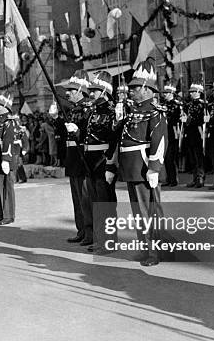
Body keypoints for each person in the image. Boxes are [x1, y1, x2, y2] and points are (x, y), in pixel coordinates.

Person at [111, 62, 167, 266]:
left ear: (147, 89)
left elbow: (159, 140)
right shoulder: (131, 111)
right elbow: (121, 137)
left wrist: (154, 167)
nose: (131, 90)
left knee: (149, 211)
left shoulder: (155, 111)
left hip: (144, 167)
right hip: (131, 167)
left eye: (135, 87)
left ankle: (155, 252)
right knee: (138, 212)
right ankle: (145, 247)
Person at [78, 70, 118, 253]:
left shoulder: (111, 111)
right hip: (89, 162)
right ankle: (99, 238)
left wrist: (111, 164)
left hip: (103, 162)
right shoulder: (92, 112)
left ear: (104, 91)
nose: (91, 93)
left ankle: (108, 241)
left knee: (105, 204)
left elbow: (113, 140)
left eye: (94, 90)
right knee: (95, 203)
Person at [62, 69, 93, 243]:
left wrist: (78, 131)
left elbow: (89, 133)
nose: (68, 93)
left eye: (72, 90)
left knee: (85, 198)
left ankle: (89, 232)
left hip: (82, 158)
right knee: (76, 198)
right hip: (72, 157)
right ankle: (81, 230)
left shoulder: (88, 108)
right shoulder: (73, 109)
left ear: (81, 91)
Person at [0, 93, 17, 225]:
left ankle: (9, 215)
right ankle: (2, 214)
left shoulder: (8, 122)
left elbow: (7, 141)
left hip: (4, 158)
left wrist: (5, 159)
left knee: (7, 187)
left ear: (6, 107)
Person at [183, 81, 207, 188]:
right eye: (191, 92)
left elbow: (201, 120)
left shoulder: (203, 104)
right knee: (192, 158)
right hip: (190, 133)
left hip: (198, 132)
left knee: (198, 157)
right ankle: (195, 178)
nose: (191, 93)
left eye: (193, 92)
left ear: (199, 92)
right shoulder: (188, 105)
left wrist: (188, 120)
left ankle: (200, 178)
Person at [162, 82, 183, 187]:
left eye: (166, 93)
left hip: (173, 132)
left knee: (171, 157)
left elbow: (179, 119)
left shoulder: (177, 105)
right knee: (166, 158)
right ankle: (169, 178)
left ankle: (174, 179)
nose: (164, 95)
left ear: (171, 93)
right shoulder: (163, 105)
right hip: (164, 132)